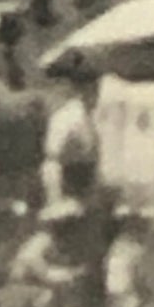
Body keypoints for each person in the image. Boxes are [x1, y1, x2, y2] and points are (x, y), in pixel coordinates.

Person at [42, 67, 102, 207]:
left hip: (81, 177)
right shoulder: (70, 116)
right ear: (84, 91)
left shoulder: (87, 116)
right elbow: (56, 151)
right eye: (94, 90)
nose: (97, 96)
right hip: (67, 176)